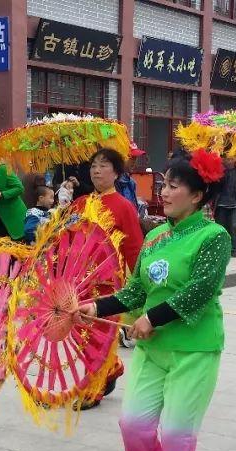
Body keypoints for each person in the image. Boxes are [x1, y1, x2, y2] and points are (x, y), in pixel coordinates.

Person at [76, 149, 231, 451]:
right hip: (153, 351)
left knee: (178, 436)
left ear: (197, 196)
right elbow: (136, 291)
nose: (164, 192)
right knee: (135, 429)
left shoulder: (214, 236)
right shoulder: (157, 235)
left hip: (193, 351)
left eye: (173, 186)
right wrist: (96, 306)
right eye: (164, 184)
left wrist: (153, 317)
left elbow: (202, 290)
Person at [72, 147, 145, 408]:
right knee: (82, 333)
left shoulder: (124, 207)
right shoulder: (80, 203)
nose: (96, 170)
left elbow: (135, 247)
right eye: (93, 165)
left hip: (107, 283)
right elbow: (67, 239)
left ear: (116, 173)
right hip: (79, 281)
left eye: (103, 165)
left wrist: (141, 284)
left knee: (97, 335)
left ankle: (93, 390)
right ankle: (110, 367)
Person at [214, 159, 236, 258]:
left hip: (234, 205)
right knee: (221, 228)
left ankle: (233, 250)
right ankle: (221, 249)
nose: (229, 161)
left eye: (231, 158)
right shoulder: (219, 173)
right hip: (221, 204)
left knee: (234, 227)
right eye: (227, 158)